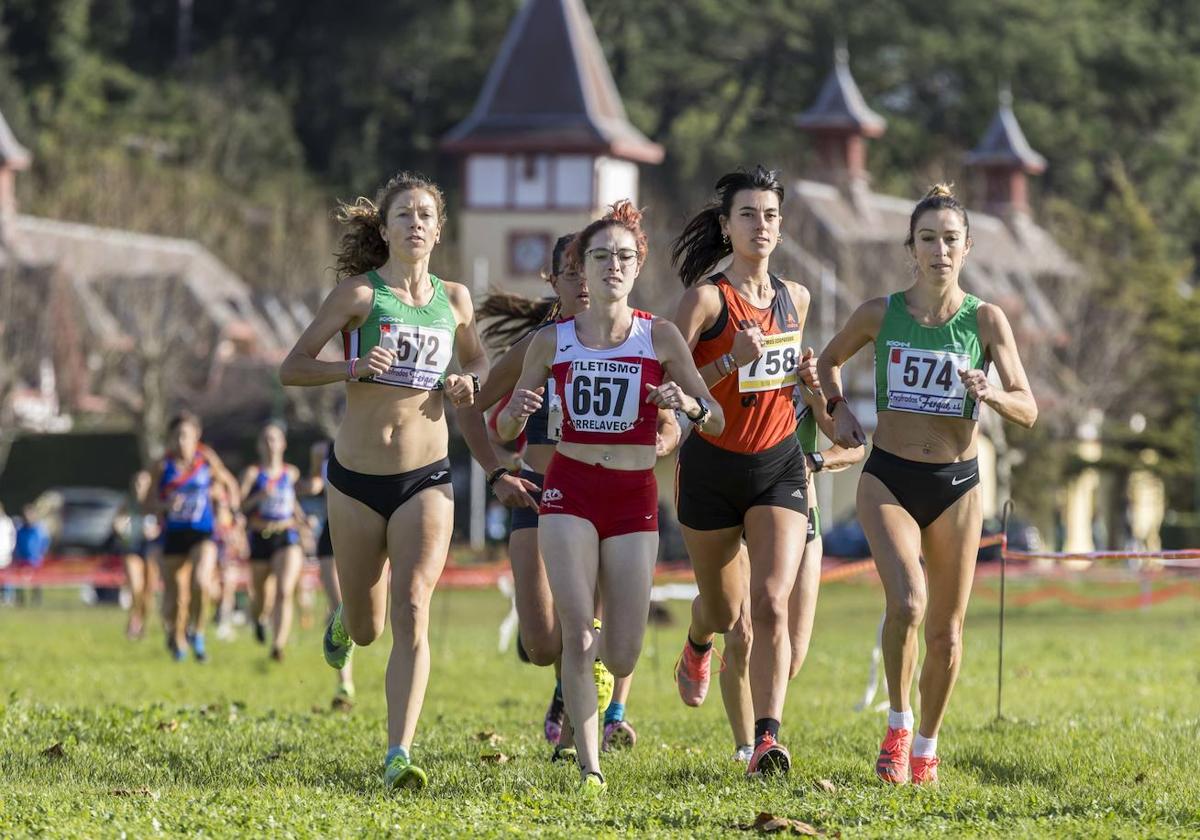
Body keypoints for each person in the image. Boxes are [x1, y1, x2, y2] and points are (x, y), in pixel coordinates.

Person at [280, 171, 503, 791]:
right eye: (403, 214)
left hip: (426, 478)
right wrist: (352, 365)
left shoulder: (454, 299)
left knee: (411, 608)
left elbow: (479, 361)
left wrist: (470, 383)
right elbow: (292, 368)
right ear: (385, 228)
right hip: (355, 481)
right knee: (366, 626)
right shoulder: (358, 295)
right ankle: (343, 622)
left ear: (439, 229)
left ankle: (397, 752)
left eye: (425, 215)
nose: (415, 223)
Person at [496, 201, 722, 790]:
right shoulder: (552, 341)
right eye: (600, 257)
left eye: (624, 256)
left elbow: (715, 416)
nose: (613, 266)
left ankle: (599, 683)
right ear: (582, 267)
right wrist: (514, 413)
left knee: (620, 654)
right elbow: (502, 427)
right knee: (577, 631)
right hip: (569, 489)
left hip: (632, 495)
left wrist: (686, 404)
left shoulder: (660, 335)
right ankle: (589, 767)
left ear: (637, 264)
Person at [817, 183, 1037, 784]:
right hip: (888, 476)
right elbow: (824, 363)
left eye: (949, 239)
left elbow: (1029, 406)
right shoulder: (878, 313)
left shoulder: (986, 319)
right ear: (910, 248)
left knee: (946, 630)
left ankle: (927, 747)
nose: (939, 249)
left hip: (957, 484)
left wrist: (990, 391)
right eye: (927, 239)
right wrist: (837, 409)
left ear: (966, 247)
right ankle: (897, 725)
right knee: (908, 602)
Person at [472, 236, 676, 756]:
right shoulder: (542, 344)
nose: (587, 283)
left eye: (603, 266)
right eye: (573, 272)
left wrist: (662, 436)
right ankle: (565, 670)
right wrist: (498, 471)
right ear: (556, 281)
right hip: (541, 489)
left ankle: (603, 708)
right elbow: (483, 414)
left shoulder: (640, 339)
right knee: (544, 641)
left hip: (616, 491)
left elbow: (674, 418)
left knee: (604, 621)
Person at [669, 166, 820, 776]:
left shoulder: (798, 298)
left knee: (770, 605)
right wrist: (730, 359)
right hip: (709, 467)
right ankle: (697, 642)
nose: (763, 225)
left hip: (778, 464)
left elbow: (784, 384)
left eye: (772, 216)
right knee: (724, 611)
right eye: (750, 215)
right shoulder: (705, 300)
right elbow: (671, 389)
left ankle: (767, 739)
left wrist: (807, 382)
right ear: (728, 227)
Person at [721, 388, 864, 762]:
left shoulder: (807, 379)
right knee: (741, 634)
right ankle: (748, 745)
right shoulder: (737, 363)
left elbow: (854, 447)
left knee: (793, 656)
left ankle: (759, 731)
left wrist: (814, 459)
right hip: (741, 513)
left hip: (800, 517)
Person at [147, 411, 241, 662]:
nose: (181, 442)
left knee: (201, 582)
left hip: (203, 533)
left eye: (186, 436)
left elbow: (230, 484)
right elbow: (148, 502)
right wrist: (165, 506)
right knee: (176, 596)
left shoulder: (206, 459)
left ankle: (197, 633)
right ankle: (177, 638)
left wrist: (233, 510)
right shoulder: (161, 466)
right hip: (174, 535)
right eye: (176, 436)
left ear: (196, 436)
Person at [240, 421, 310, 661]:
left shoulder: (290, 473)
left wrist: (302, 519)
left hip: (286, 535)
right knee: (260, 596)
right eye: (266, 439)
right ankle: (259, 618)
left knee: (283, 590)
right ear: (260, 445)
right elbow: (239, 505)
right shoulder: (253, 473)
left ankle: (278, 645)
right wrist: (259, 496)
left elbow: (291, 501)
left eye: (275, 439)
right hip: (260, 536)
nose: (271, 444)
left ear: (283, 444)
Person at [304, 438, 355, 709]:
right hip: (331, 533)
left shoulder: (367, 436)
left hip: (362, 532)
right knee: (338, 609)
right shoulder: (320, 448)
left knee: (359, 613)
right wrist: (304, 486)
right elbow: (315, 482)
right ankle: (345, 682)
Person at [112, 471, 159, 639]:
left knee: (148, 591)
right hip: (132, 547)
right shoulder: (128, 502)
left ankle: (142, 625)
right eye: (138, 484)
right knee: (136, 587)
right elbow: (117, 521)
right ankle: (133, 622)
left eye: (144, 484)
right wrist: (120, 528)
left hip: (151, 549)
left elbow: (163, 524)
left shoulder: (155, 504)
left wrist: (155, 531)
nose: (140, 488)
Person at [12, 504, 51, 606]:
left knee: (37, 583)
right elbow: (16, 544)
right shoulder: (20, 530)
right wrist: (16, 556)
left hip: (36, 561)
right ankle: (20, 601)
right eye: (25, 514)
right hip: (22, 560)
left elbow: (45, 543)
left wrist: (41, 554)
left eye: (29, 514)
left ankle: (37, 601)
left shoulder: (40, 530)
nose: (27, 517)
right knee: (19, 583)